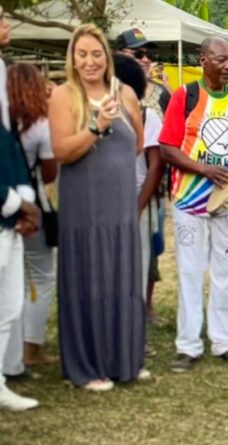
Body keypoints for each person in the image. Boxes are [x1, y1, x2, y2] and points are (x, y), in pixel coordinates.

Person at [48, 24, 147, 391]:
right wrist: (96, 126)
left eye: (96, 53)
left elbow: (135, 144)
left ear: (107, 57)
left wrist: (126, 119)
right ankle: (87, 366)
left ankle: (123, 359)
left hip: (119, 207)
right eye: (82, 54)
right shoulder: (63, 96)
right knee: (89, 278)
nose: (90, 62)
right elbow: (62, 151)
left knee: (120, 277)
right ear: (72, 59)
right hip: (83, 208)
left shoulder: (124, 93)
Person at [159, 37, 228, 373]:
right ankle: (188, 346)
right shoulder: (184, 96)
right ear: (203, 60)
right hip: (189, 200)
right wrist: (204, 169)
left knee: (227, 272)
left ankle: (225, 342)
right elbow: (167, 148)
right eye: (221, 60)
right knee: (189, 273)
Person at [2, 63, 58, 376]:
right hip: (33, 205)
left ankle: (9, 354)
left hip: (6, 204)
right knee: (42, 275)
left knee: (10, 282)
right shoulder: (40, 124)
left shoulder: (6, 124)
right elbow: (50, 171)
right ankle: (30, 347)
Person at [0, 6, 41, 410]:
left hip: (11, 211)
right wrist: (15, 201)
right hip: (5, 206)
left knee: (9, 304)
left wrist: (23, 199)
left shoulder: (4, 69)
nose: (6, 23)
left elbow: (9, 147)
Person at [113, 54, 164, 308]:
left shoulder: (146, 117)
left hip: (137, 200)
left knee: (139, 261)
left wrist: (139, 206)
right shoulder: (97, 115)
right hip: (105, 204)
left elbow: (155, 165)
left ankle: (135, 317)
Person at [115, 28, 170, 118]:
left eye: (148, 55)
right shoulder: (106, 90)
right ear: (119, 54)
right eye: (138, 54)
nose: (146, 60)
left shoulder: (161, 92)